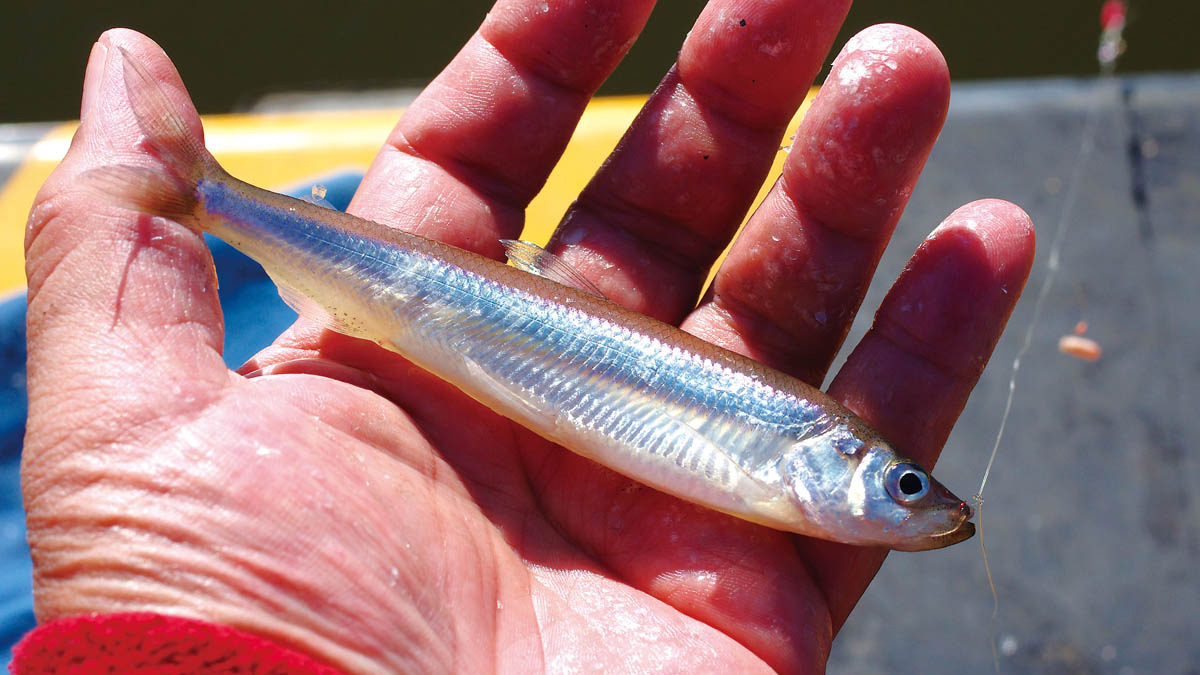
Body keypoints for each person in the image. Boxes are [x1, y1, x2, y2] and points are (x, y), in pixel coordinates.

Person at [16, 1, 1035, 673]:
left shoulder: (797, 475)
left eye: (913, 491)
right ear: (841, 451)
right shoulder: (796, 451)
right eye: (905, 485)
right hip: (443, 303)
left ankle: (219, 199)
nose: (925, 505)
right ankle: (210, 196)